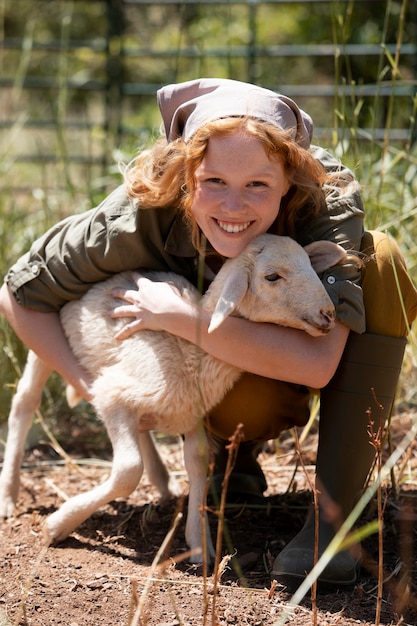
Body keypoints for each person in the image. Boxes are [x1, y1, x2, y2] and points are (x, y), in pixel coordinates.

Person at [1, 78, 416, 591]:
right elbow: (20, 295)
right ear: (183, 176)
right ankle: (231, 459)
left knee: (385, 257)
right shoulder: (134, 215)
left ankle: (336, 521)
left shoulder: (326, 198)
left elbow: (317, 362)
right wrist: (99, 388)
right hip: (202, 380)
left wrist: (183, 319)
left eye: (258, 185)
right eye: (213, 181)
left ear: (288, 180)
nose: (234, 205)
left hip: (271, 352)